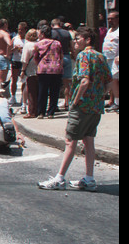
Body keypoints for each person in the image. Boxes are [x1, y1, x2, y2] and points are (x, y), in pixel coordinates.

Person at [38, 27, 112, 191]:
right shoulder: (101, 57)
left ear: (87, 40)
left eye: (78, 38)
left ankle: (59, 178)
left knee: (70, 141)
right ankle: (89, 178)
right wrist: (99, 96)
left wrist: (74, 101)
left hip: (82, 106)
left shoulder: (83, 55)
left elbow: (84, 81)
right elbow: (109, 81)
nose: (75, 41)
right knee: (89, 140)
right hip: (96, 107)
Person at [34, 25, 63, 119]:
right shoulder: (57, 43)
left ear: (42, 33)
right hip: (56, 69)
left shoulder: (38, 44)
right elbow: (61, 56)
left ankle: (41, 112)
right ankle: (51, 112)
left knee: (42, 91)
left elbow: (36, 57)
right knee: (54, 92)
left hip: (43, 69)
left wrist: (39, 64)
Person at [20, 28, 40, 118]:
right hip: (40, 70)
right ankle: (38, 110)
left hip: (30, 70)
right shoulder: (39, 44)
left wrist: (23, 70)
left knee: (31, 92)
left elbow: (25, 59)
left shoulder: (27, 45)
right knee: (38, 91)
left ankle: (31, 111)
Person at [102, 11, 119, 112]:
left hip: (115, 59)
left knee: (114, 80)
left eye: (111, 18)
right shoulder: (110, 31)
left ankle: (117, 103)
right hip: (107, 59)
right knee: (111, 80)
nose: (109, 20)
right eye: (108, 18)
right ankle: (114, 102)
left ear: (117, 19)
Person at [9, 22, 27, 106]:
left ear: (25, 30)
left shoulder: (27, 39)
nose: (20, 31)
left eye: (21, 30)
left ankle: (23, 98)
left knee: (24, 80)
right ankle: (13, 96)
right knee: (14, 79)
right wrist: (14, 48)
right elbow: (9, 51)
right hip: (15, 60)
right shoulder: (15, 38)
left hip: (24, 61)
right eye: (18, 29)